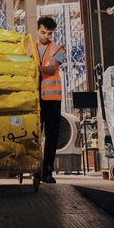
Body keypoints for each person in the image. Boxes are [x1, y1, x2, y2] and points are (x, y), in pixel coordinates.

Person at [35, 16, 67, 184]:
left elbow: (52, 68)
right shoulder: (29, 48)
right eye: (43, 32)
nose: (46, 36)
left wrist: (31, 67)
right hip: (33, 100)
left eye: (49, 33)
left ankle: (47, 171)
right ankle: (34, 168)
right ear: (37, 30)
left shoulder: (58, 49)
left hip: (52, 100)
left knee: (51, 136)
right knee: (34, 136)